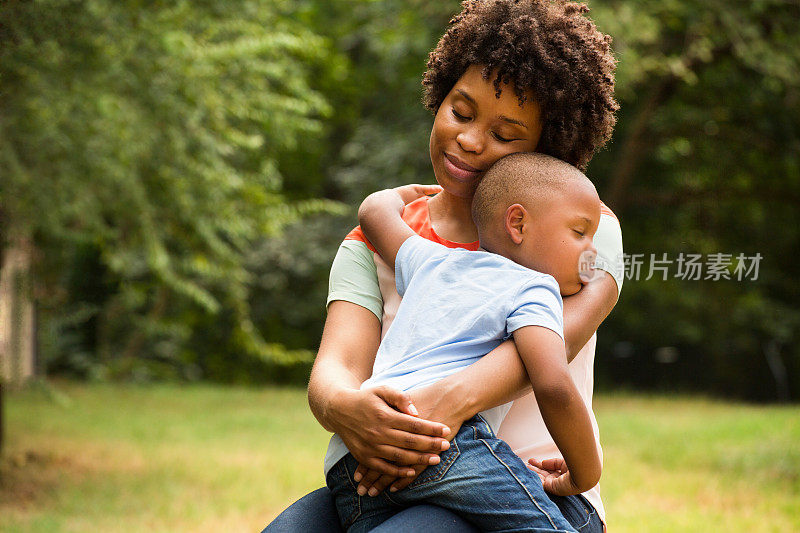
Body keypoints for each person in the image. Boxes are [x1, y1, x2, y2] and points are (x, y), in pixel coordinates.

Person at [265, 0, 621, 531]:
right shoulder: (381, 239)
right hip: (384, 469)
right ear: (439, 98)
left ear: (546, 150)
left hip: (532, 483)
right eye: (461, 110)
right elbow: (335, 369)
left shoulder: (578, 232)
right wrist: (352, 411)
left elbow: (551, 348)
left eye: (505, 135)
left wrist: (442, 404)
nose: (470, 139)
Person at [326, 153, 603, 533]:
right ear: (517, 223)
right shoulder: (535, 288)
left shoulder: (433, 261)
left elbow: (373, 215)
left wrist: (403, 194)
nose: (594, 252)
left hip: (355, 457)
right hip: (445, 448)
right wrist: (584, 474)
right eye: (579, 233)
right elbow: (553, 385)